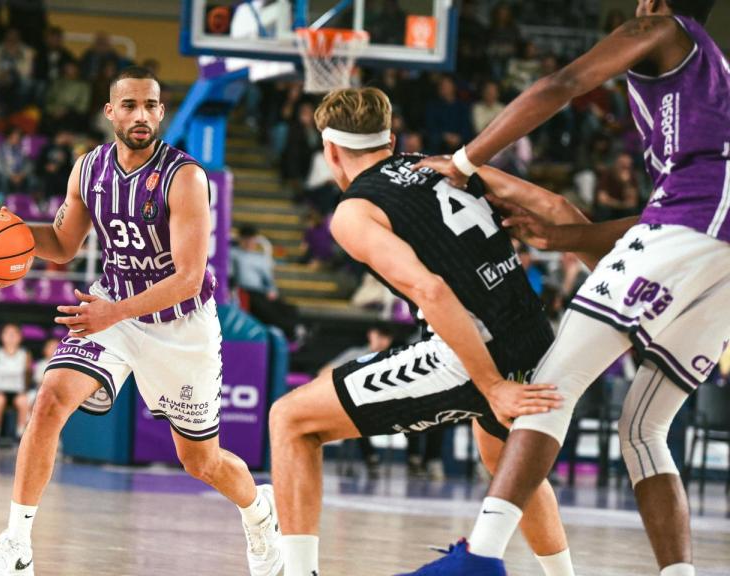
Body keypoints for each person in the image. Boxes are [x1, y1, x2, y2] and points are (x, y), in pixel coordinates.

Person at [407, 2, 728, 575]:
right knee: (645, 427)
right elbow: (677, 210)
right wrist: (568, 235)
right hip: (711, 247)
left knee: (552, 385)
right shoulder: (712, 81)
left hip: (692, 227)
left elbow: (564, 83)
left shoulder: (662, 28)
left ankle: (479, 559)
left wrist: (464, 159)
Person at [0, 66, 282, 576]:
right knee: (48, 402)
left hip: (181, 326)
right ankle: (16, 545)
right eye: (130, 105)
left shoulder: (184, 178)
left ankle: (259, 515)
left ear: (161, 113)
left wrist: (113, 311)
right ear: (110, 111)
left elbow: (188, 277)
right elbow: (65, 246)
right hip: (113, 308)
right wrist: (16, 233)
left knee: (201, 461)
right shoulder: (87, 170)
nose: (142, 115)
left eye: (151, 106)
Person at [266, 87, 572, 576]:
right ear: (390, 139)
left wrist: (491, 385)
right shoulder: (444, 165)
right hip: (536, 335)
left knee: (291, 420)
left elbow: (429, 289)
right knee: (506, 463)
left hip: (474, 353)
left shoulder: (354, 210)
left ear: (330, 151)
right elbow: (554, 204)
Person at [316, 325, 397, 478]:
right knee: (353, 411)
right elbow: (324, 371)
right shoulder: (355, 354)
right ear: (371, 334)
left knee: (356, 412)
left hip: (382, 405)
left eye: (386, 337)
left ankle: (371, 456)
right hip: (356, 405)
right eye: (379, 335)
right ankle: (370, 456)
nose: (381, 341)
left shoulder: (392, 359)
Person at [0, 324, 31, 440]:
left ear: (20, 337)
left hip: (17, 391)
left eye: (14, 334)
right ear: (2, 337)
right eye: (7, 333)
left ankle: (21, 435)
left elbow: (28, 375)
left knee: (24, 401)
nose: (11, 337)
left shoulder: (25, 355)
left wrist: (24, 389)